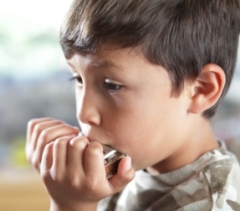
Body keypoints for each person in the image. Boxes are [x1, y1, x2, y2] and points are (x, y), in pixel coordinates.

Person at [25, 0, 240, 210]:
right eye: (78, 79)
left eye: (111, 85)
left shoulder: (215, 204)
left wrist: (72, 205)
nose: (84, 113)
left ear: (201, 90)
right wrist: (67, 183)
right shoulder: (130, 162)